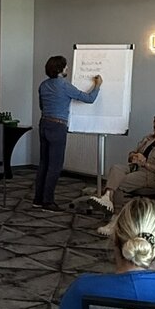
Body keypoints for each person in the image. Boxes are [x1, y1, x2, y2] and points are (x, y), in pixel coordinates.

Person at [33, 55, 102, 212]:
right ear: (59, 69)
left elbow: (42, 106)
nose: (67, 68)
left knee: (44, 164)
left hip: (44, 123)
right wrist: (97, 85)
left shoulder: (43, 85)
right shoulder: (64, 86)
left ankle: (38, 199)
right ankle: (48, 201)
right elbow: (89, 99)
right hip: (58, 126)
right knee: (55, 166)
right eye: (65, 66)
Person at [91, 113, 155, 214]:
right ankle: (107, 197)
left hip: (152, 177)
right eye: (154, 127)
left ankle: (116, 212)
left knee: (119, 182)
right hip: (136, 168)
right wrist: (134, 156)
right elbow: (132, 153)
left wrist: (145, 163)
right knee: (116, 168)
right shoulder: (149, 139)